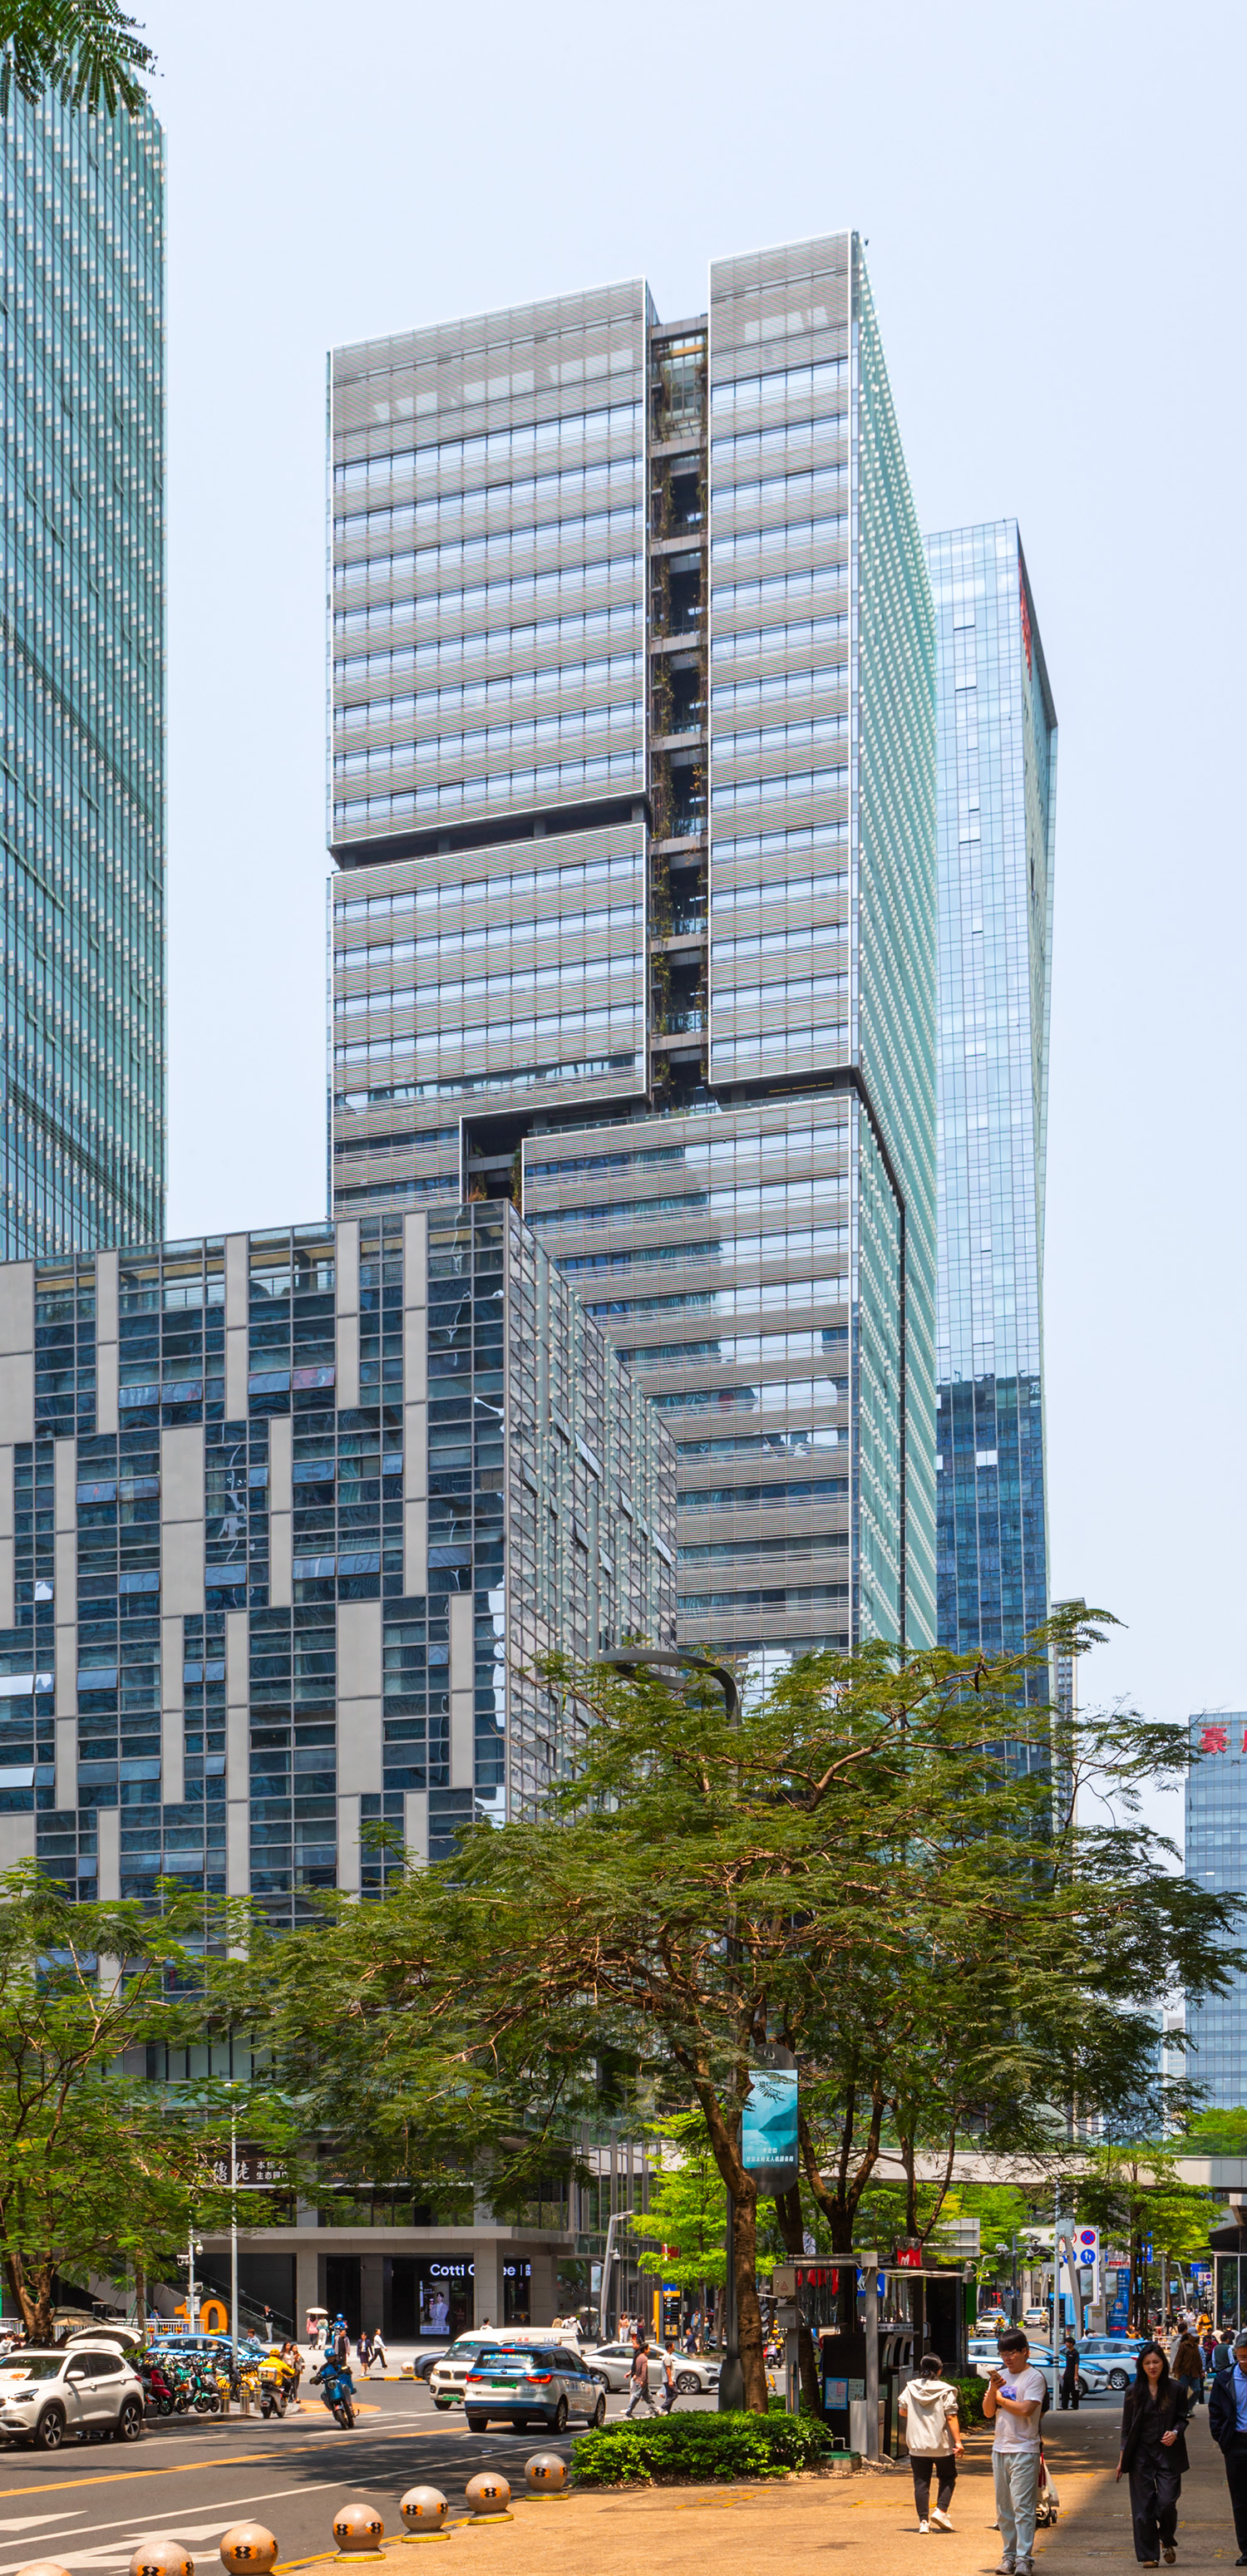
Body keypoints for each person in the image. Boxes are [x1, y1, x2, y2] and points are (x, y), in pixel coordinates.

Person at [1117, 2341, 1190, 2568]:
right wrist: (1122, 2459)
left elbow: (1182, 2418)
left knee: (1167, 2502)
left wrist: (1176, 2432)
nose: (1152, 2367)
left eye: (1156, 2362)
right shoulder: (1132, 2392)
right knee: (1143, 2508)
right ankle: (1149, 2555)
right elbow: (1126, 2429)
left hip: (1168, 2454)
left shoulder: (1176, 2389)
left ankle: (1166, 2537)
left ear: (1163, 2363)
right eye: (1147, 2363)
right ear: (1141, 2366)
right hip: (1141, 2455)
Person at [983, 2327, 1047, 2576]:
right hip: (1000, 2448)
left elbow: (1026, 2410)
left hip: (1024, 2449)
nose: (1007, 2358)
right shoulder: (999, 2377)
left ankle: (1024, 2559)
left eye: (1012, 2353)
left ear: (1025, 2352)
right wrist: (993, 2390)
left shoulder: (1034, 2378)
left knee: (1023, 2507)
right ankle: (1008, 2556)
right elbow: (988, 2412)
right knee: (1004, 2509)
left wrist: (999, 2398)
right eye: (1003, 2353)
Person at [899, 2351, 964, 2534]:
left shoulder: (910, 2388)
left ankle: (923, 2522)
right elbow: (951, 2417)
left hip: (917, 2446)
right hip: (941, 2445)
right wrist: (958, 2442)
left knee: (921, 2483)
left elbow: (902, 2411)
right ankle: (941, 2511)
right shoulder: (946, 2390)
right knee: (948, 2478)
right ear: (940, 2371)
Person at [1209, 2328, 1247, 2564]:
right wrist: (1223, 2437)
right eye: (1242, 2357)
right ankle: (1246, 2549)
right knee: (1241, 2501)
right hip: (1236, 2445)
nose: (1245, 2362)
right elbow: (1215, 2411)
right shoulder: (1225, 2379)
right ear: (1235, 2355)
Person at [1172, 2334, 1205, 2412]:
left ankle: (1189, 2407)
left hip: (1194, 2372)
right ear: (1189, 2336)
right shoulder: (1183, 2346)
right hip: (1184, 2372)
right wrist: (1176, 2369)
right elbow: (1179, 2357)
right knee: (1183, 2392)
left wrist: (1201, 2371)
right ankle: (1182, 2409)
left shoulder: (1196, 2347)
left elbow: (1198, 2360)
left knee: (1197, 2390)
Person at [625, 2337, 658, 2417]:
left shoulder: (639, 2357)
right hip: (642, 2381)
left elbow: (637, 2368)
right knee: (636, 2397)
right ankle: (628, 2413)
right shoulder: (644, 2358)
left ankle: (655, 2411)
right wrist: (643, 2380)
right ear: (645, 2349)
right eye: (648, 2349)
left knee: (648, 2398)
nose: (649, 2350)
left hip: (641, 2381)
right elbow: (643, 2371)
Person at [1060, 2334, 1081, 2412]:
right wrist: (1064, 2374)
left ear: (1071, 2343)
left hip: (1072, 2375)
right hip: (1067, 2374)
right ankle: (1064, 2405)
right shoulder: (1068, 2353)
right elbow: (1067, 2364)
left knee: (1074, 2391)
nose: (1066, 2344)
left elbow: (1076, 2364)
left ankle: (1074, 2405)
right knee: (1065, 2391)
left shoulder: (1075, 2353)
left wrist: (1076, 2375)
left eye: (1067, 2343)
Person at [660, 2342, 678, 2413]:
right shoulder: (667, 2357)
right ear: (670, 2348)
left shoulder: (667, 2356)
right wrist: (670, 2380)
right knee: (674, 2395)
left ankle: (667, 2411)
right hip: (669, 2380)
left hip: (668, 2380)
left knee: (669, 2396)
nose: (674, 2348)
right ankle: (663, 2407)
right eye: (673, 2347)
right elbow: (668, 2369)